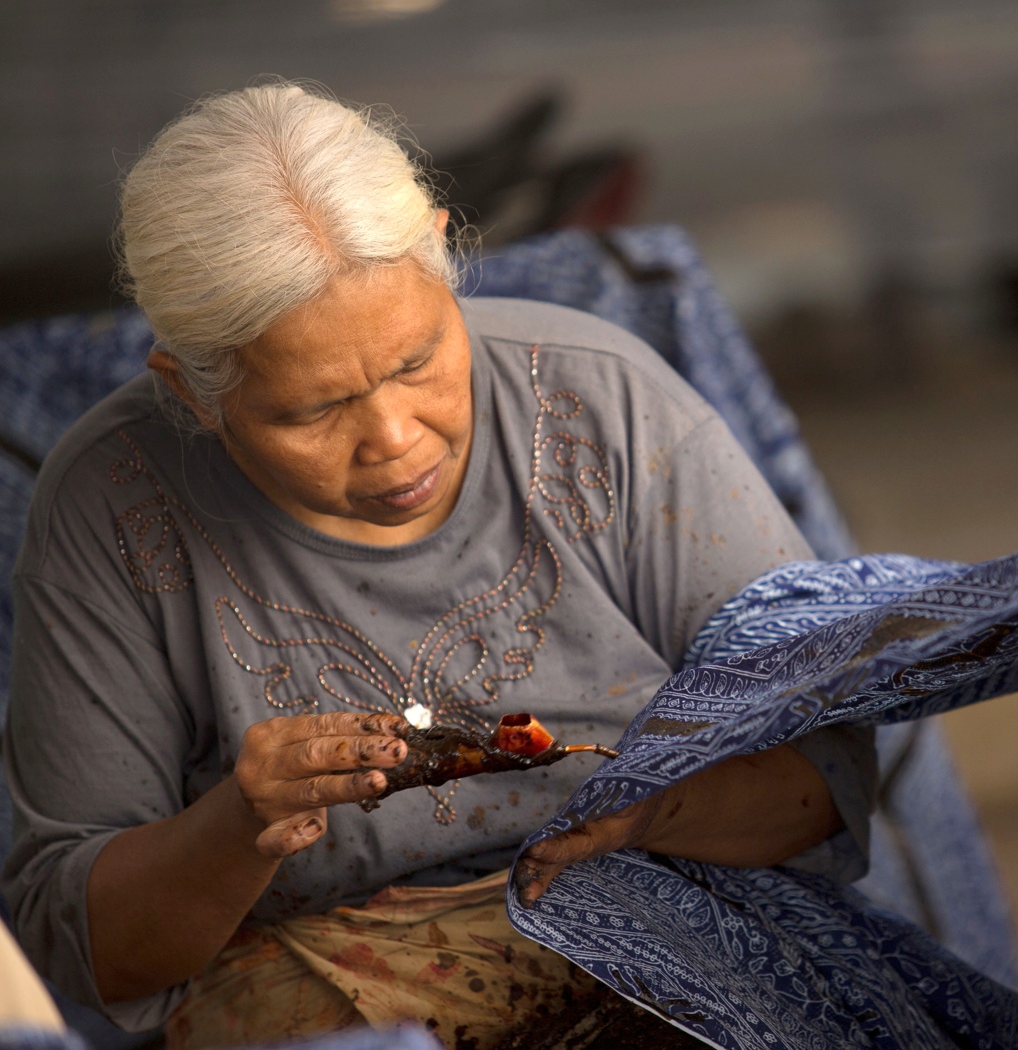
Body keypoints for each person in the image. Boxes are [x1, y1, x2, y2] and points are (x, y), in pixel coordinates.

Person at [0, 82, 875, 1050]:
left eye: (417, 360)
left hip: (669, 916)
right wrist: (238, 823)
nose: (394, 438)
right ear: (193, 391)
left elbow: (824, 767)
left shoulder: (601, 406)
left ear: (447, 260)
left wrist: (647, 810)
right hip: (323, 985)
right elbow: (85, 949)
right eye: (312, 410)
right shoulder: (110, 504)